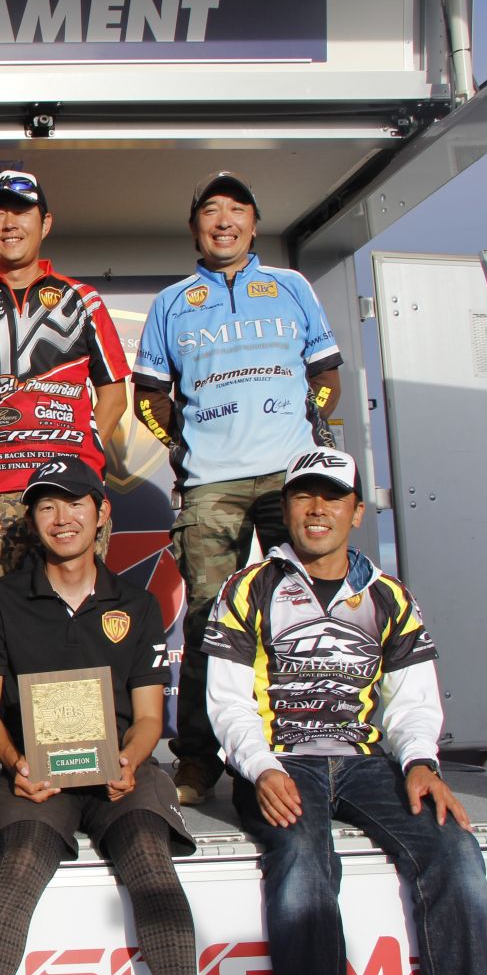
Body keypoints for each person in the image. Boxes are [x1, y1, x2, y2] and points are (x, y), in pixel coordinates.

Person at [205, 449, 487, 975]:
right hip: (281, 760)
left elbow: (412, 702)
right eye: (303, 496)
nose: (317, 509)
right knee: (302, 856)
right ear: (285, 508)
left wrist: (420, 762)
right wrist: (261, 767)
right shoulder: (248, 588)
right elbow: (228, 701)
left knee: (455, 847)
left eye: (333, 497)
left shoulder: (389, 595)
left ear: (357, 512)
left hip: (366, 762)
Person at [0, 458, 196, 975]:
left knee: (150, 859)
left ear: (101, 511)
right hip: (33, 775)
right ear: (32, 520)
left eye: (74, 503)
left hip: (119, 773)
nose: (61, 518)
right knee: (19, 866)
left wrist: (130, 759)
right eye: (47, 506)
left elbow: (148, 716)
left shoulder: (138, 604)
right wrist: (16, 763)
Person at [132, 171, 343, 805]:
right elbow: (150, 395)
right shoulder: (172, 303)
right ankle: (198, 761)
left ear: (254, 223)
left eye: (236, 210)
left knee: (305, 611)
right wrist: (185, 446)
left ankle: (310, 749)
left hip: (289, 480)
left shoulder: (292, 286)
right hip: (210, 484)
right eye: (211, 211)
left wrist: (310, 434)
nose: (224, 221)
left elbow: (325, 374)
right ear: (194, 226)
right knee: (208, 621)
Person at [0, 170, 130, 635]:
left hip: (67, 493)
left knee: (79, 627)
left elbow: (114, 396)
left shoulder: (83, 299)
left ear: (45, 222)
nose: (10, 222)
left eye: (21, 211)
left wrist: (80, 459)